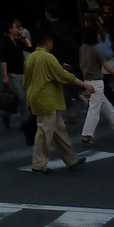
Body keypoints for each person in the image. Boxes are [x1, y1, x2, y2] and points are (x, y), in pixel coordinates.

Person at [23, 30, 92, 173]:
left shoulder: (30, 58)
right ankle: (39, 164)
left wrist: (27, 98)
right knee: (44, 132)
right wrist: (84, 85)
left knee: (59, 131)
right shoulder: (48, 57)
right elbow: (63, 76)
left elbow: (26, 82)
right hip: (47, 99)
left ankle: (71, 158)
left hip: (36, 98)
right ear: (48, 42)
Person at [77, 25, 114, 145]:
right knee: (94, 109)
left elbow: (81, 64)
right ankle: (86, 135)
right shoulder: (96, 50)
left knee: (107, 107)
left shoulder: (82, 49)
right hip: (97, 81)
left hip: (87, 80)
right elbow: (107, 67)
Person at [0, 18, 30, 128]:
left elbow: (29, 47)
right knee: (22, 97)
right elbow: (4, 60)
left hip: (21, 71)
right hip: (13, 73)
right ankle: (24, 121)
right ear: (10, 29)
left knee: (17, 97)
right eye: (15, 27)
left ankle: (6, 114)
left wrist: (24, 37)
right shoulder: (5, 42)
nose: (17, 29)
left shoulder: (17, 41)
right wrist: (5, 75)